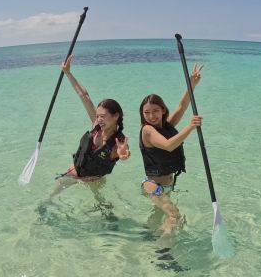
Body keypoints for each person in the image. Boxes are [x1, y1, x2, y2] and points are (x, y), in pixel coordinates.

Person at [47, 55, 130, 207]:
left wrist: (124, 155)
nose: (99, 119)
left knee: (101, 205)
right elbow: (83, 95)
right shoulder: (95, 127)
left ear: (116, 116)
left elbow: (123, 153)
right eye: (97, 116)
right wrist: (68, 72)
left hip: (95, 180)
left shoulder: (119, 141)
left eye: (103, 116)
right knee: (51, 196)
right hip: (75, 172)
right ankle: (45, 206)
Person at [138, 63, 203, 235]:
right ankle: (164, 254)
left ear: (163, 110)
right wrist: (190, 127)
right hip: (153, 186)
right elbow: (168, 146)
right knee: (175, 217)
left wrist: (192, 84)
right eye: (146, 113)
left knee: (159, 215)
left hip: (167, 185)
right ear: (142, 114)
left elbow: (182, 106)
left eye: (155, 111)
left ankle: (148, 237)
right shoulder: (147, 130)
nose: (151, 116)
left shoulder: (166, 126)